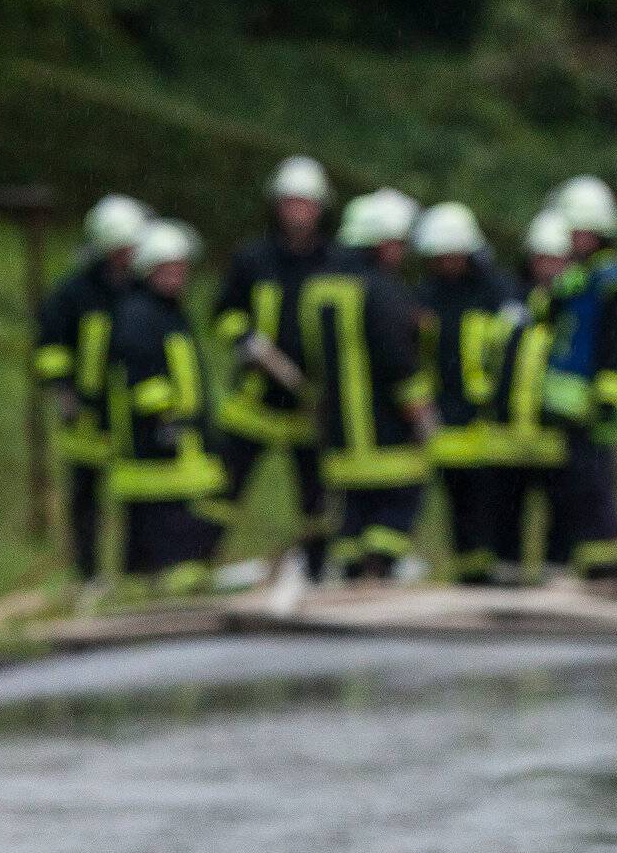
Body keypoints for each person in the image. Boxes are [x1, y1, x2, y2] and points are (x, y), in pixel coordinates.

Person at [296, 189, 434, 582]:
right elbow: (396, 359)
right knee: (402, 498)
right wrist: (419, 410)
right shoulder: (382, 289)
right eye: (397, 243)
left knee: (353, 508)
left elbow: (308, 352)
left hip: (338, 429)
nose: (401, 252)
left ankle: (351, 571)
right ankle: (378, 566)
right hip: (384, 427)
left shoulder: (317, 287)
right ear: (381, 242)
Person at [209, 157, 336, 576]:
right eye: (290, 203)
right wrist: (247, 340)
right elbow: (222, 312)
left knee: (317, 497)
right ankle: (196, 561)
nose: (297, 212)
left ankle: (317, 572)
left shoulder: (334, 263)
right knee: (223, 489)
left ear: (320, 208)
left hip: (309, 404)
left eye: (305, 204)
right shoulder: (252, 259)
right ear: (276, 206)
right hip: (255, 402)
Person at [32, 193, 151, 589]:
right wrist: (62, 388)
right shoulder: (73, 294)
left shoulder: (143, 291)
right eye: (120, 248)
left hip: (134, 414)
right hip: (87, 414)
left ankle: (138, 573)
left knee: (140, 496)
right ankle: (88, 575)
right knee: (85, 496)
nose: (127, 256)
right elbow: (49, 347)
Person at [105, 220, 227, 592]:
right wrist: (166, 418)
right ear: (148, 270)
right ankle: (164, 582)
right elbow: (140, 375)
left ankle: (147, 581)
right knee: (161, 515)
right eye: (167, 269)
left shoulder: (168, 311)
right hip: (153, 441)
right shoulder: (139, 313)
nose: (177, 276)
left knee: (167, 512)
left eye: (181, 268)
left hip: (175, 438)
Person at [539, 174, 617, 586]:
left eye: (577, 231)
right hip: (570, 404)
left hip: (594, 406)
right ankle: (582, 562)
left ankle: (609, 564)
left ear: (597, 231)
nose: (571, 239)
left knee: (594, 484)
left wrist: (607, 396)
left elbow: (615, 341)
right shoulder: (582, 275)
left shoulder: (610, 279)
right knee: (574, 486)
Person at [412, 201, 516, 582]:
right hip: (440, 415)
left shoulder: (496, 294)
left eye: (452, 256)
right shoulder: (425, 295)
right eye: (438, 257)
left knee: (492, 503)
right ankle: (468, 573)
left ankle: (490, 573)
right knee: (453, 504)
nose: (446, 264)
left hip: (487, 420)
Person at [484, 208, 574, 582]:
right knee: (505, 508)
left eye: (555, 259)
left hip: (552, 431)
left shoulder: (571, 307)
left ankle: (556, 575)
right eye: (542, 258)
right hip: (507, 431)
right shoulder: (510, 302)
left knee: (561, 509)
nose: (548, 267)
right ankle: (507, 573)